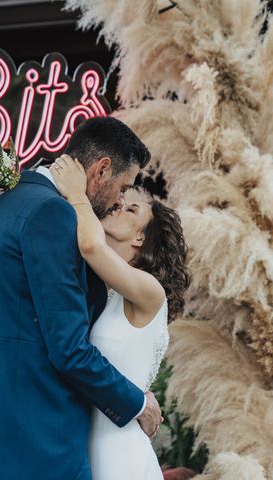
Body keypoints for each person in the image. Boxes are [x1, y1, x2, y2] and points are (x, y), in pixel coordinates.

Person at [0, 117, 163, 480]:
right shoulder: (52, 213)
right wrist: (137, 404)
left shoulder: (7, 202)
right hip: (40, 436)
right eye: (123, 187)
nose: (120, 200)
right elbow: (67, 348)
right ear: (101, 170)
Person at [50, 154, 190, 479]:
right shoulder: (106, 291)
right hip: (87, 447)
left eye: (132, 210)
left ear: (140, 238)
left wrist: (77, 195)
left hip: (119, 454)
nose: (120, 205)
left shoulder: (150, 291)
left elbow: (92, 248)